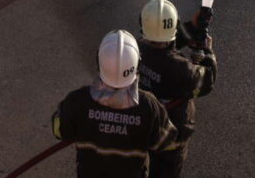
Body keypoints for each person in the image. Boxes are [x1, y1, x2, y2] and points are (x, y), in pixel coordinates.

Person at [54, 30, 177, 177]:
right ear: (137, 64)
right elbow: (164, 142)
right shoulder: (149, 106)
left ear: (99, 63)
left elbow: (59, 131)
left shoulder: (77, 101)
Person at [136, 0, 217, 178]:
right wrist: (207, 53)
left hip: (143, 129)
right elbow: (208, 81)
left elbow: (161, 45)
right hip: (171, 139)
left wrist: (191, 28)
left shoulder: (135, 49)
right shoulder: (182, 70)